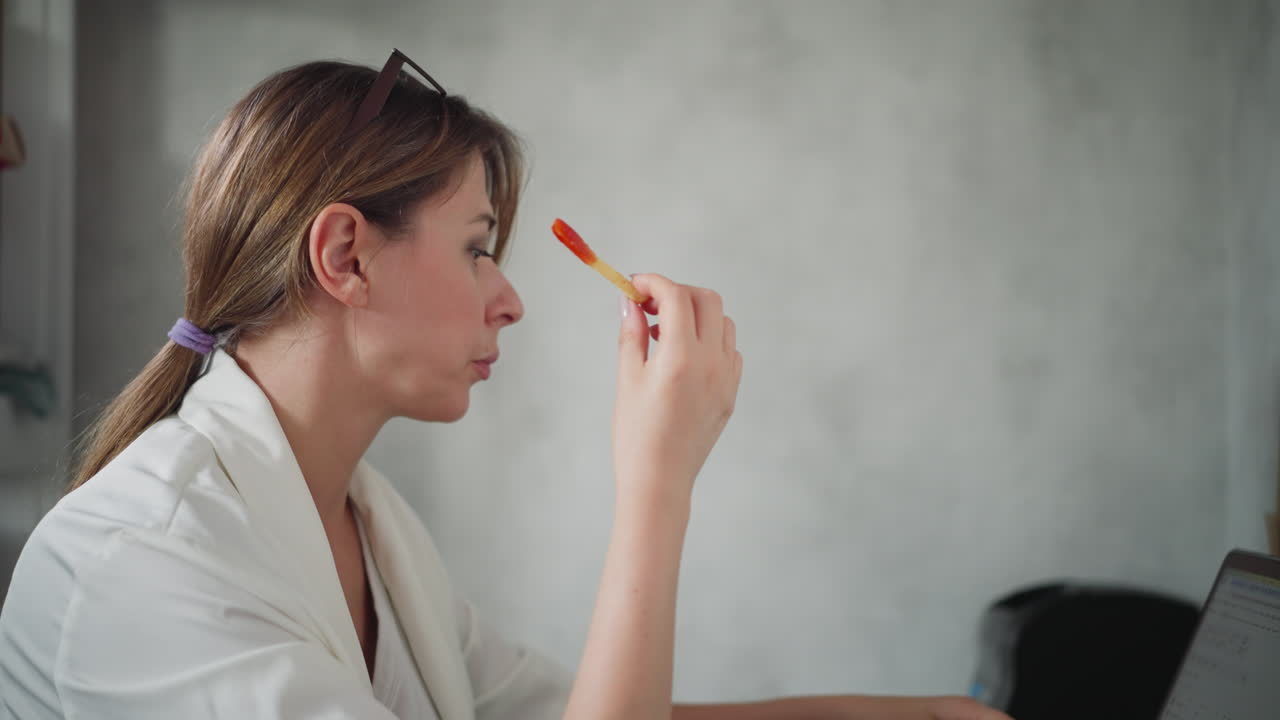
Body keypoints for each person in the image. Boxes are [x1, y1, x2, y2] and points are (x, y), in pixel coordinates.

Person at [0, 51, 1010, 720]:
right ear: (346, 254)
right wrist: (655, 486)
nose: (510, 299)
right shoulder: (149, 566)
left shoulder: (368, 525)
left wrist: (919, 714)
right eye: (479, 250)